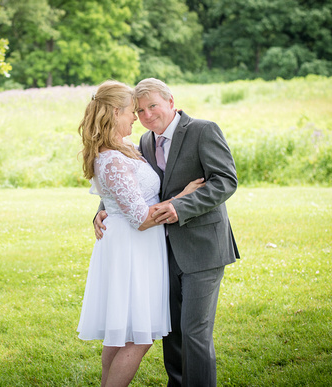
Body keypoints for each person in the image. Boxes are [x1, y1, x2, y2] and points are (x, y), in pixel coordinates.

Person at [94, 78, 240, 387]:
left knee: (194, 333)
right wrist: (104, 209)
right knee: (171, 334)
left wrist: (182, 206)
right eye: (140, 109)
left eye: (153, 106)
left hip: (202, 247)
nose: (146, 115)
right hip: (161, 251)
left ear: (171, 101)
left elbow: (225, 181)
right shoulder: (144, 142)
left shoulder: (203, 130)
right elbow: (131, 190)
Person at [77, 80, 205, 387]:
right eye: (131, 111)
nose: (136, 117)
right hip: (132, 248)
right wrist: (182, 197)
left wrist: (105, 207)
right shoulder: (110, 157)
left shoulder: (126, 148)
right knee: (140, 336)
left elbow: (125, 197)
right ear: (115, 113)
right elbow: (141, 218)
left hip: (138, 247)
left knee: (123, 333)